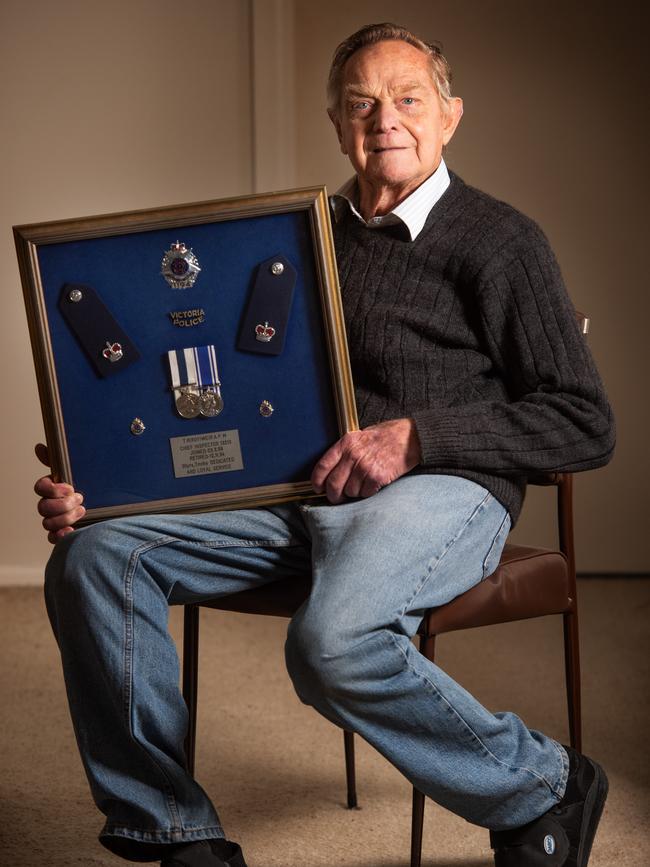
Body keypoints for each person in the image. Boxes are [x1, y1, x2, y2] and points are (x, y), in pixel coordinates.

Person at [34, 22, 615, 867]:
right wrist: (102, 470)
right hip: (300, 490)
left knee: (330, 644)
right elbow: (227, 386)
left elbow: (584, 419)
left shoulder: (502, 241)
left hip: (445, 489)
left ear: (450, 117)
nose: (386, 119)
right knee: (94, 558)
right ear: (338, 124)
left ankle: (542, 784)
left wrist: (419, 437)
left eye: (408, 98)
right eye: (362, 103)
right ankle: (173, 830)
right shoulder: (296, 238)